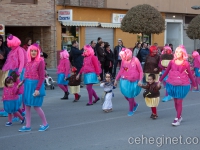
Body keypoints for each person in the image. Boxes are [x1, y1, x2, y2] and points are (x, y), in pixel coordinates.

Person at [159, 45, 197, 126]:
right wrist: (160, 80)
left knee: (179, 101)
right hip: (173, 84)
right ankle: (179, 116)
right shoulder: (172, 62)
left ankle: (177, 118)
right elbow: (166, 72)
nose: (178, 53)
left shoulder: (185, 63)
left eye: (180, 52)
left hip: (182, 85)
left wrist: (194, 84)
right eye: (177, 52)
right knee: (176, 101)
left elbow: (190, 74)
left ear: (183, 53)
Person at [19, 44, 49, 132]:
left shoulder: (40, 61)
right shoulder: (27, 61)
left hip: (36, 86)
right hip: (27, 85)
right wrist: (22, 82)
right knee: (27, 106)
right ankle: (28, 126)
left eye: (35, 51)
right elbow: (27, 74)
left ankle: (45, 124)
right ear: (29, 51)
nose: (33, 52)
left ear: (38, 52)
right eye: (32, 51)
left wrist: (37, 89)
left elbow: (42, 77)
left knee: (36, 106)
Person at [114, 48, 143, 116]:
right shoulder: (123, 61)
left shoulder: (135, 59)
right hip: (125, 80)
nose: (123, 58)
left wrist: (140, 80)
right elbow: (121, 70)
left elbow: (141, 71)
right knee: (125, 95)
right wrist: (116, 79)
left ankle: (131, 109)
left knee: (130, 95)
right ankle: (135, 104)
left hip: (133, 80)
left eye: (123, 56)